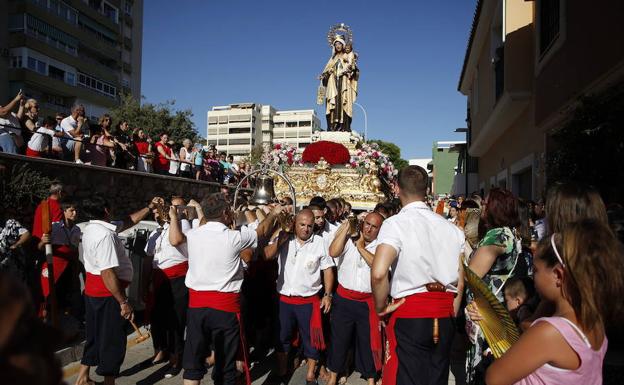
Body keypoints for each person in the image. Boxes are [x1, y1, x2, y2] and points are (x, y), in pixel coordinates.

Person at [485, 220, 624, 385]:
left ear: (558, 275)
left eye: (535, 270)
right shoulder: (594, 321)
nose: (533, 276)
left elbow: (494, 378)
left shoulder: (549, 332)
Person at [170, 194, 282, 385]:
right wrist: (273, 214)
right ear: (224, 213)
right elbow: (262, 230)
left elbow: (174, 240)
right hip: (225, 309)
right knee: (225, 365)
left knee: (193, 364)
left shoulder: (194, 235)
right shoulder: (233, 237)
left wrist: (173, 218)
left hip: (197, 308)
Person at [372, 165, 465, 385]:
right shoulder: (452, 229)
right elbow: (460, 281)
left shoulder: (394, 224)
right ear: (428, 188)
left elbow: (378, 273)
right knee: (437, 378)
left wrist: (380, 307)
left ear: (396, 188)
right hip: (444, 313)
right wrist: (451, 312)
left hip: (410, 313)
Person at [74, 195, 161, 385]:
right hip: (108, 293)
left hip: (93, 291)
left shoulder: (93, 228)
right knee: (112, 340)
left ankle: (82, 376)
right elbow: (107, 272)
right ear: (106, 210)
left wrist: (149, 207)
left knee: (94, 335)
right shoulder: (105, 235)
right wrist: (123, 302)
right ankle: (109, 381)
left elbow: (128, 221)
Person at [264, 209, 335, 385]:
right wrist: (281, 239)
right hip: (284, 300)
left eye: (309, 226)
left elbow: (327, 270)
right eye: (302, 225)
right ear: (295, 223)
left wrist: (327, 294)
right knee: (282, 338)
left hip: (309, 301)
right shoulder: (284, 238)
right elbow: (267, 255)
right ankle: (281, 371)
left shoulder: (320, 243)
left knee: (313, 340)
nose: (305, 229)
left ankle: (311, 374)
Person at [464, 188, 522, 384]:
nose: (483, 207)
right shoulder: (510, 232)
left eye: (487, 203)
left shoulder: (497, 235)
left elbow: (471, 275)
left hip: (487, 316)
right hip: (499, 312)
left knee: (482, 369)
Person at [327, 212, 385, 385]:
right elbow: (332, 252)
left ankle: (370, 377)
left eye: (374, 227)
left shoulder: (381, 247)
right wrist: (345, 228)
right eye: (367, 224)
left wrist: (361, 247)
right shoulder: (349, 239)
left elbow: (378, 266)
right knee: (339, 339)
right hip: (344, 299)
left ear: (379, 230)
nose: (368, 229)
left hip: (367, 301)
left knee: (368, 341)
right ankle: (334, 376)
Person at [144, 199, 192, 378]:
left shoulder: (182, 224)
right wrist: (145, 283)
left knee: (176, 321)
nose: (157, 215)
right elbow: (149, 259)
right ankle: (161, 350)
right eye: (155, 213)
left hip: (178, 279)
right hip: (159, 278)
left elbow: (176, 241)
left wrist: (173, 218)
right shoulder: (156, 232)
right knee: (158, 319)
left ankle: (176, 358)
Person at [38, 201, 82, 320]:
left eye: (76, 210)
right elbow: (40, 247)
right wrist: (43, 241)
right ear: (64, 212)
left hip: (68, 267)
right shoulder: (54, 227)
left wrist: (76, 269)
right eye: (71, 210)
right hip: (53, 266)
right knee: (48, 297)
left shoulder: (77, 229)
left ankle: (62, 326)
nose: (75, 213)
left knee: (64, 299)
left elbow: (74, 250)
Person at [320, 35, 355, 132]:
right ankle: (332, 125)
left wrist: (350, 70)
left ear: (343, 45)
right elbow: (325, 72)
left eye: (339, 43)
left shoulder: (347, 56)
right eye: (336, 44)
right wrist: (325, 75)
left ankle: (344, 125)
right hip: (333, 84)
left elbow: (353, 69)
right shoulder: (332, 59)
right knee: (332, 103)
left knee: (344, 101)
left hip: (343, 83)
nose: (338, 46)